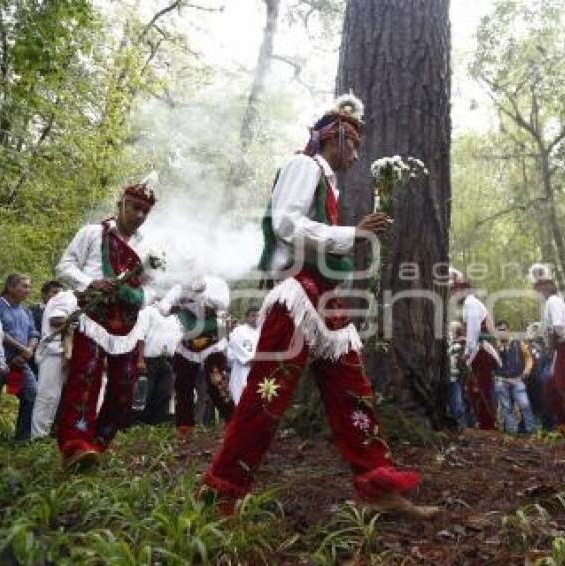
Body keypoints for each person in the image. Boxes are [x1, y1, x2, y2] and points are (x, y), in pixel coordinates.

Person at [199, 95, 436, 519]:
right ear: (335, 136)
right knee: (264, 397)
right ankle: (222, 492)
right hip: (296, 293)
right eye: (354, 142)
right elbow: (286, 224)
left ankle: (378, 484)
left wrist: (354, 236)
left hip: (326, 298)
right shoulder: (303, 166)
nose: (357, 153)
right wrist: (351, 233)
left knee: (353, 394)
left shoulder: (327, 180)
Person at [54, 181, 160, 468]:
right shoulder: (92, 233)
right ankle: (75, 444)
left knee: (123, 389)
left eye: (145, 211)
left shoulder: (149, 249)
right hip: (94, 320)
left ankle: (97, 444)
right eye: (135, 207)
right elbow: (64, 267)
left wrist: (138, 296)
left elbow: (153, 288)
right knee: (84, 381)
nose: (139, 215)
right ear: (121, 203)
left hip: (127, 327)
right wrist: (90, 282)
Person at [160, 276, 234, 437]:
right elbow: (163, 308)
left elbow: (224, 304)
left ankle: (232, 420)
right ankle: (184, 426)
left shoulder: (216, 283)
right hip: (187, 344)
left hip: (213, 341)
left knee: (216, 381)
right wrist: (177, 302)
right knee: (182, 385)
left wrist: (200, 294)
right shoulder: (179, 287)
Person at [529, 263, 565, 438]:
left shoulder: (554, 301)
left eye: (542, 286)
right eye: (537, 287)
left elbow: (559, 328)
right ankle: (564, 426)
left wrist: (551, 343)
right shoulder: (551, 303)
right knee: (550, 388)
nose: (539, 291)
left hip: (563, 347)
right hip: (558, 350)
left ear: (550, 286)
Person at [451, 268, 499, 430]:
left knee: (481, 390)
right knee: (476, 390)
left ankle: (488, 426)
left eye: (455, 290)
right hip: (479, 352)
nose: (452, 294)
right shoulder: (469, 303)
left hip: (481, 352)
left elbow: (473, 332)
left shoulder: (470, 304)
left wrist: (466, 355)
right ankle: (486, 423)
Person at [31, 290, 77, 439]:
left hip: (68, 353)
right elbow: (56, 320)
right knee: (48, 396)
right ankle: (38, 437)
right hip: (54, 352)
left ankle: (56, 433)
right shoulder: (67, 296)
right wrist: (76, 321)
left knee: (63, 398)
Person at [0, 274, 40, 440]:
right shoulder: (0, 305)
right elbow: (1, 333)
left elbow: (34, 333)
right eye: (24, 286)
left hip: (20, 362)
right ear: (10, 287)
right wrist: (22, 348)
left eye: (29, 287)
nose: (28, 290)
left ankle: (22, 438)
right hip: (2, 360)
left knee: (32, 393)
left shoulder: (25, 311)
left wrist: (28, 350)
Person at [135, 306, 181, 425]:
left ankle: (157, 424)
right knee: (145, 394)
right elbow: (140, 335)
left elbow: (177, 342)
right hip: (148, 360)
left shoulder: (176, 318)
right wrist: (140, 360)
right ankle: (137, 424)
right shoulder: (149, 311)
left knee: (164, 392)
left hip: (166, 360)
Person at [493, 320, 536, 434]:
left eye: (503, 329)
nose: (501, 332)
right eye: (499, 330)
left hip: (517, 379)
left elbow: (528, 357)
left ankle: (531, 430)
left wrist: (527, 370)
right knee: (507, 408)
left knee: (525, 404)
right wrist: (498, 349)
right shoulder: (494, 346)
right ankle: (512, 432)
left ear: (508, 330)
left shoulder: (518, 343)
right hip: (501, 379)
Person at [226, 305, 260, 405]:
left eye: (258, 316)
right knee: (241, 402)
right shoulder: (239, 331)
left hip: (258, 373)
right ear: (246, 317)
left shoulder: (262, 331)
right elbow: (246, 360)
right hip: (242, 373)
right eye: (253, 316)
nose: (255, 318)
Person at [447, 320, 470, 428]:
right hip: (445, 378)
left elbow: (464, 362)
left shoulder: (462, 345)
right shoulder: (448, 342)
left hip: (456, 379)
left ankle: (462, 426)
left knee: (458, 404)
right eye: (450, 329)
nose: (450, 331)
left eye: (452, 330)